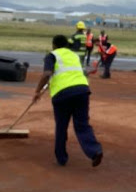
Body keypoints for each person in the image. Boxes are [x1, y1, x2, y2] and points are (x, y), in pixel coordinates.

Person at [33, 35, 103, 167]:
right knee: (82, 125)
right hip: (82, 90)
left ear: (54, 45)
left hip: (62, 94)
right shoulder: (74, 56)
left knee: (61, 126)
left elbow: (47, 74)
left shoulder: (52, 55)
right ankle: (95, 151)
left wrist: (37, 91)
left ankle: (61, 158)